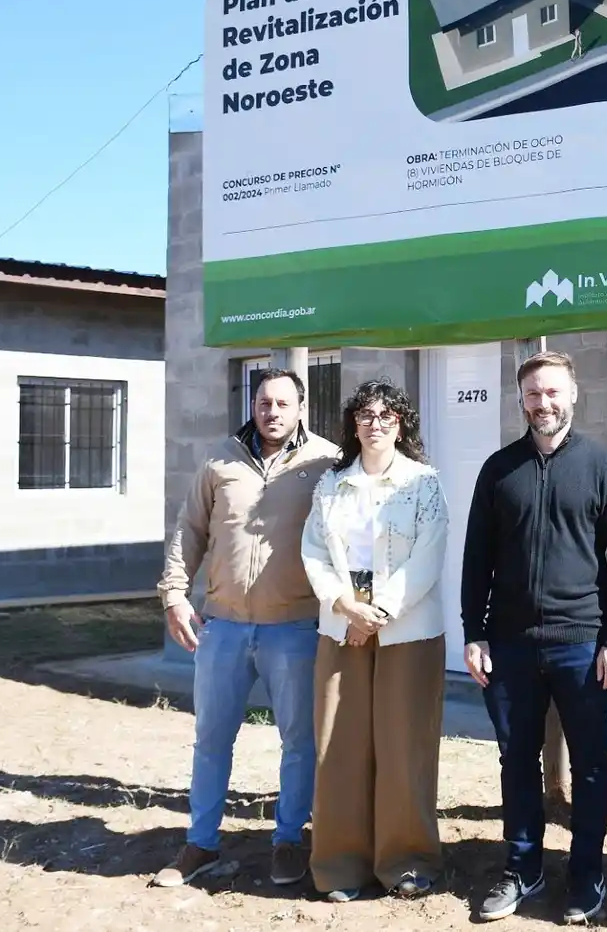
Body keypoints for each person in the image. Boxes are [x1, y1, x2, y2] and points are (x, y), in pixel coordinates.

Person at [462, 351, 607, 925]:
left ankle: (586, 873)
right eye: (534, 394)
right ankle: (523, 867)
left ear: (573, 394)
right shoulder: (499, 470)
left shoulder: (602, 469)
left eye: (553, 393)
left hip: (582, 644)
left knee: (590, 762)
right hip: (510, 644)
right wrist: (475, 632)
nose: (544, 403)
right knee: (516, 759)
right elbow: (476, 560)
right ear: (522, 400)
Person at [152, 368, 338, 890]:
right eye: (263, 401)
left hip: (294, 627)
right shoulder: (219, 459)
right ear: (252, 404)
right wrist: (173, 592)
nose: (271, 411)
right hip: (225, 627)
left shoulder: (324, 462)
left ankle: (287, 840)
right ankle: (201, 843)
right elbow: (189, 528)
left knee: (299, 742)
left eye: (282, 403)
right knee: (211, 738)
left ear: (301, 408)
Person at [300, 380, 451, 903]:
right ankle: (341, 864)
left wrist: (382, 609)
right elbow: (314, 551)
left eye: (387, 414)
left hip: (407, 629)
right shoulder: (330, 484)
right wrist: (347, 607)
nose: (376, 423)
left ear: (402, 423)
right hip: (342, 625)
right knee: (338, 747)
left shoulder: (424, 484)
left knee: (403, 746)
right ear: (353, 425)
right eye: (365, 414)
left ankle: (407, 860)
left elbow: (428, 555)